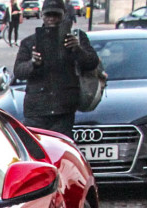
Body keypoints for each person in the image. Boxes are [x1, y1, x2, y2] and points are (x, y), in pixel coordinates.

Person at [14, 0, 98, 137]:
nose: (52, 19)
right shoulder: (29, 42)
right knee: (37, 153)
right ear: (42, 15)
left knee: (61, 151)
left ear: (63, 15)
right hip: (37, 109)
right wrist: (33, 63)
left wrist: (77, 49)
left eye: (56, 15)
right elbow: (18, 71)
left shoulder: (76, 37)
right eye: (48, 15)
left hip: (63, 109)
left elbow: (92, 62)